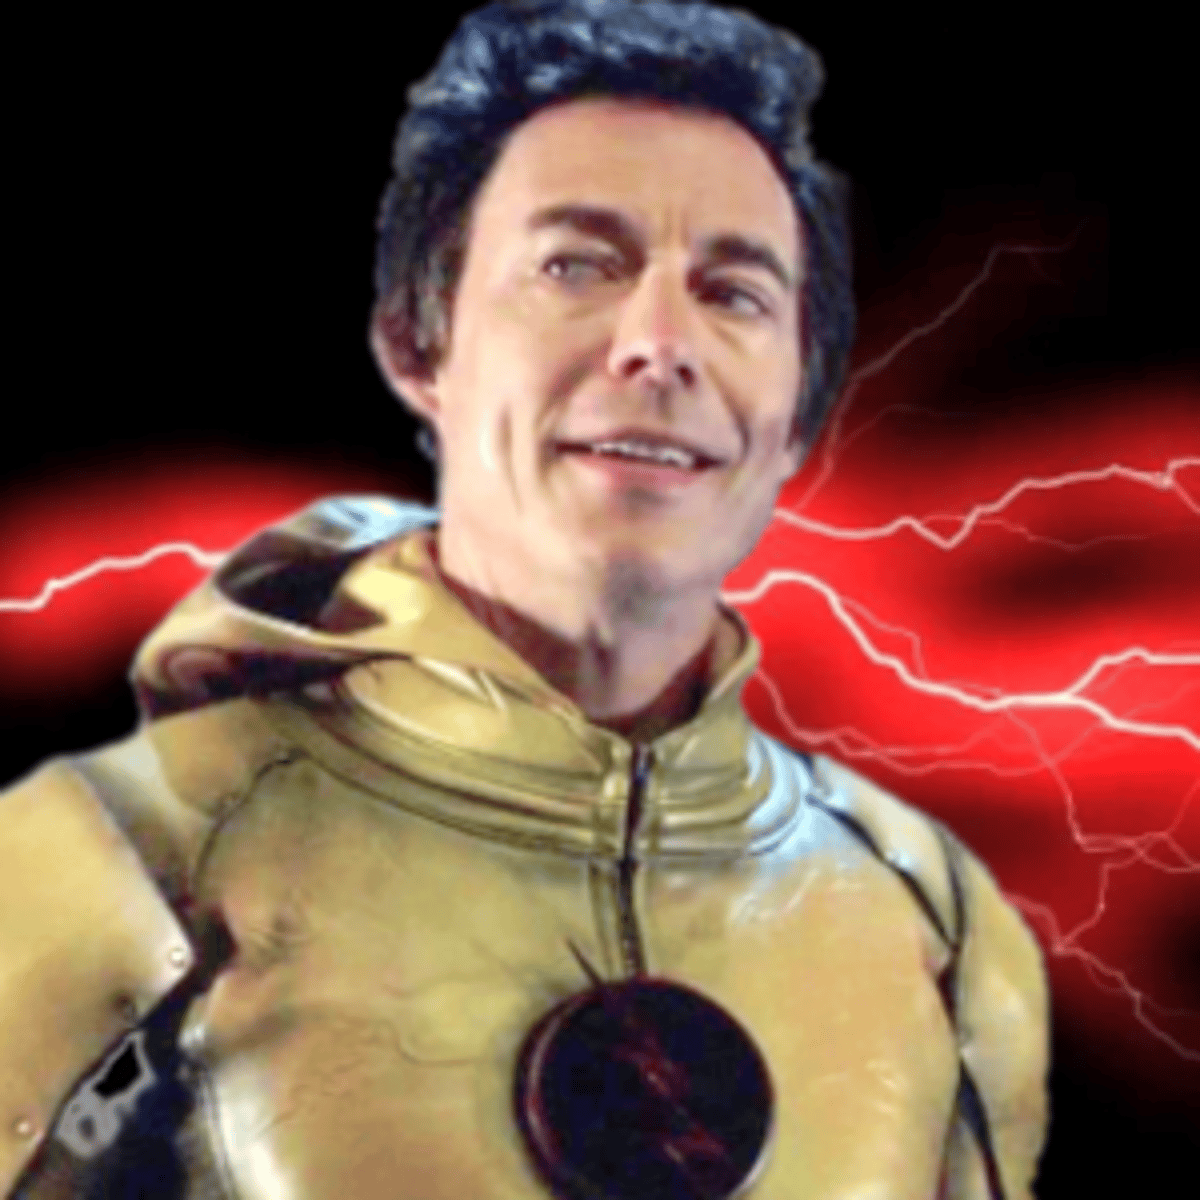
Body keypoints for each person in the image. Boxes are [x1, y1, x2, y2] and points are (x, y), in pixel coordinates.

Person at [0, 2, 1049, 1197]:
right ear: (418, 341)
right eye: (576, 265)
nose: (661, 342)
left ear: (798, 409)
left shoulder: (933, 921)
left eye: (735, 292)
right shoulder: (119, 863)